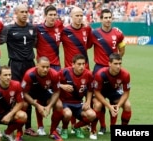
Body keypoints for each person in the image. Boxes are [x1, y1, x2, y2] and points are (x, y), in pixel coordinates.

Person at [0, 4, 38, 137]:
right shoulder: (9, 29)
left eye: (26, 12)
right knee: (16, 96)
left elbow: (36, 43)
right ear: (15, 13)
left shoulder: (32, 28)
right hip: (15, 65)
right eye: (22, 12)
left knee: (30, 95)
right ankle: (15, 126)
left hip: (30, 65)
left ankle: (28, 127)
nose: (25, 14)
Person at [90, 9, 126, 135]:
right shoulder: (94, 33)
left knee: (114, 99)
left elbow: (122, 49)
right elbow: (87, 45)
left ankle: (113, 127)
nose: (108, 19)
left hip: (114, 72)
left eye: (110, 17)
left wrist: (116, 61)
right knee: (99, 100)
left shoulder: (118, 33)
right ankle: (102, 126)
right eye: (105, 17)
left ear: (112, 19)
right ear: (101, 19)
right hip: (99, 69)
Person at [60, 6, 93, 134]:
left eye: (81, 15)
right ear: (71, 17)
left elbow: (89, 45)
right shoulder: (64, 31)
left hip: (85, 69)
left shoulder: (87, 29)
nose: (79, 18)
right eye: (76, 15)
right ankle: (72, 125)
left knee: (87, 98)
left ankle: (81, 125)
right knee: (72, 97)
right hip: (69, 71)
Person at [21, 56, 63, 141]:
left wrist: (49, 106)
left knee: (59, 105)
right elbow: (24, 93)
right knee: (23, 105)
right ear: (37, 65)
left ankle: (53, 132)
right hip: (30, 93)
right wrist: (37, 105)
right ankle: (19, 132)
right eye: (43, 67)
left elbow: (57, 91)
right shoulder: (29, 74)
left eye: (47, 67)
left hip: (44, 91)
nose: (45, 69)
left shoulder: (54, 74)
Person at [92, 53, 132, 139]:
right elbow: (97, 92)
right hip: (101, 91)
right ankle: (96, 129)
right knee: (98, 105)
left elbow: (126, 92)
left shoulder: (125, 74)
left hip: (114, 90)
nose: (118, 66)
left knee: (127, 105)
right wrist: (109, 106)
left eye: (120, 63)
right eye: (115, 63)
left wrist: (118, 105)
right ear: (109, 64)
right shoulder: (100, 74)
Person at [58, 54, 96, 140]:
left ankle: (76, 127)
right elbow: (53, 82)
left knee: (92, 115)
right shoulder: (64, 72)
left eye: (83, 64)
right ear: (73, 64)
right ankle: (64, 129)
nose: (82, 66)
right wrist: (62, 86)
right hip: (65, 102)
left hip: (79, 103)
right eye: (79, 64)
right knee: (68, 114)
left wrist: (88, 102)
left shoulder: (88, 74)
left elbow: (90, 90)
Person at [35, 4, 64, 72]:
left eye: (54, 15)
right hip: (42, 64)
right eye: (50, 15)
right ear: (45, 16)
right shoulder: (38, 28)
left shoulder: (59, 25)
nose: (53, 17)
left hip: (56, 64)